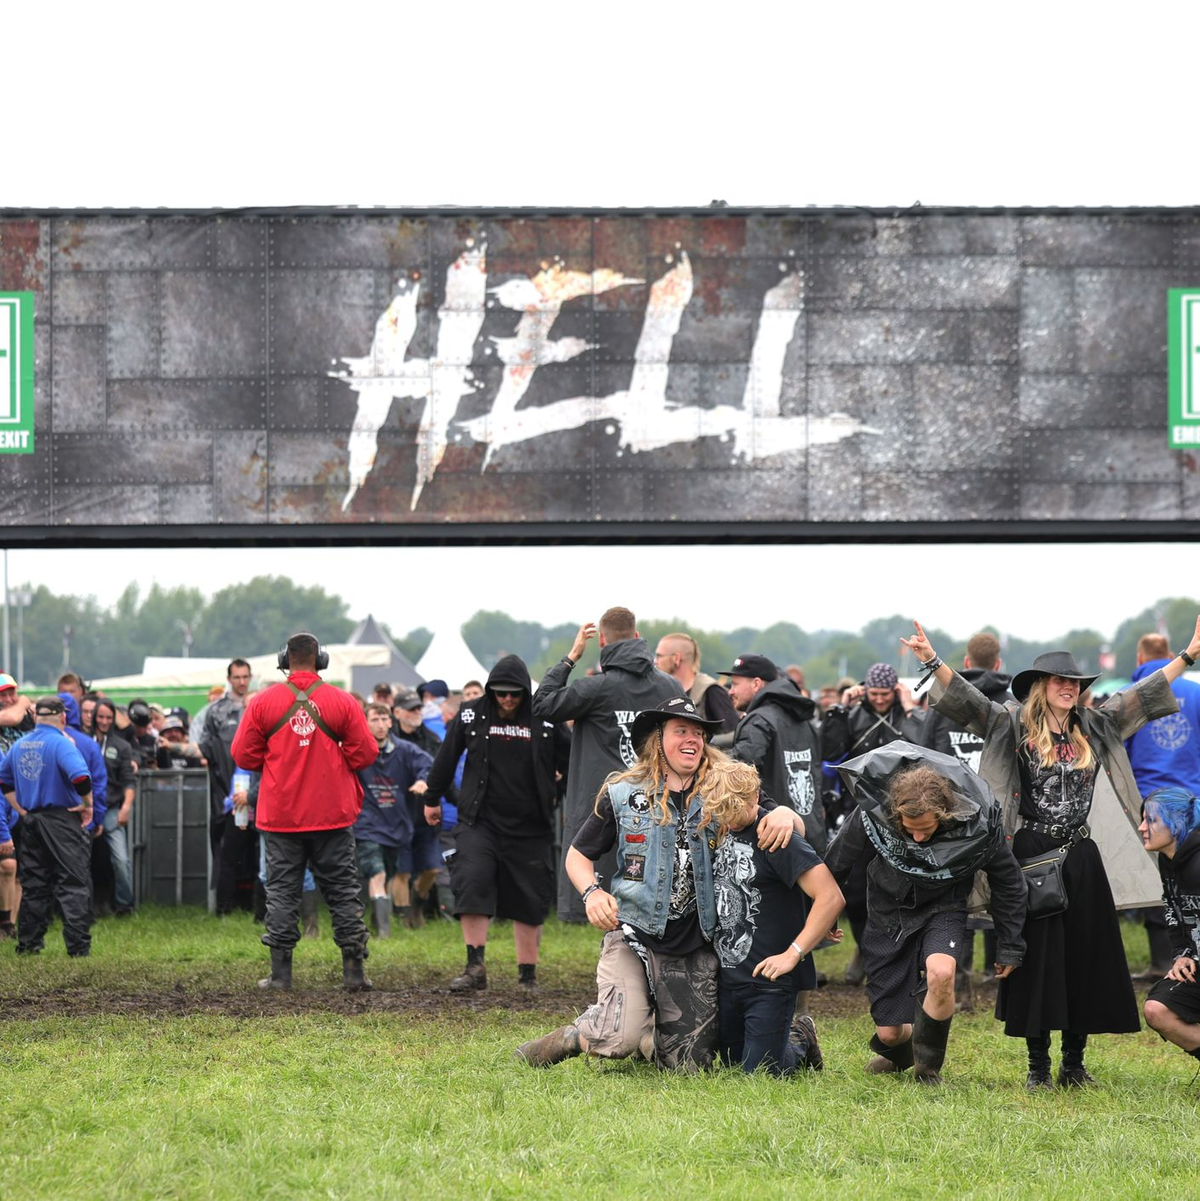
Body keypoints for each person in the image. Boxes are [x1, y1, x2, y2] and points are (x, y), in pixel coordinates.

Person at [910, 615, 1200, 1087]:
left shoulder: (1095, 724)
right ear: (1040, 686)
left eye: (1075, 682)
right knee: (1038, 962)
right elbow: (970, 702)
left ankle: (1074, 1064)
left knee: (1083, 959)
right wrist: (932, 660)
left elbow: (1142, 697)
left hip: (1081, 857)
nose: (1069, 688)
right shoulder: (1013, 724)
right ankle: (1038, 1067)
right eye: (1060, 681)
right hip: (1032, 855)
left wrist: (1186, 656)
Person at [516, 696, 801, 1072]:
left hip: (696, 943)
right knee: (618, 1039)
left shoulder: (723, 787)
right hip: (633, 934)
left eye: (698, 733)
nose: (692, 739)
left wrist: (785, 813)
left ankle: (648, 1028)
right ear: (658, 739)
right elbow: (577, 856)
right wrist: (592, 893)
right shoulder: (624, 793)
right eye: (681, 731)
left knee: (688, 1066)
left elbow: (787, 826)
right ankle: (574, 1036)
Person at [824, 744, 1026, 1084]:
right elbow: (836, 862)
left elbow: (1009, 882)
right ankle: (899, 1053)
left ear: (944, 815)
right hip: (888, 913)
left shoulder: (976, 829)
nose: (917, 837)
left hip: (943, 907)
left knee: (941, 973)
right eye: (910, 828)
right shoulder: (873, 813)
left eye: (926, 829)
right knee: (890, 1034)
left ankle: (927, 1070)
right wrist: (828, 914)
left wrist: (1010, 945)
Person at [231, 632, 378, 991]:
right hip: (332, 815)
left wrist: (279, 757)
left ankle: (280, 976)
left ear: (284, 660)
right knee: (343, 891)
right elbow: (365, 754)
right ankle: (354, 973)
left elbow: (243, 755)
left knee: (281, 893)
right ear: (320, 660)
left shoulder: (263, 703)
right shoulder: (342, 701)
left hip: (281, 816)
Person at [416, 655, 570, 992]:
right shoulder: (471, 713)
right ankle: (475, 968)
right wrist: (432, 798)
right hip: (479, 820)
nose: (508, 699)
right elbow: (446, 757)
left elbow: (571, 761)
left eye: (515, 693)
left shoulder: (544, 717)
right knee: (471, 882)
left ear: (525, 692)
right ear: (490, 691)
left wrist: (562, 798)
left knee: (529, 898)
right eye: (501, 693)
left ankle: (527, 976)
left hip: (531, 824)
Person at [533, 606, 685, 923]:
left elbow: (543, 704)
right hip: (658, 806)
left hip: (603, 811)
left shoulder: (596, 687)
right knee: (653, 904)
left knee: (608, 908)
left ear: (602, 640)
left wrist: (571, 657)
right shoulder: (670, 687)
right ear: (638, 636)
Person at [703, 759, 844, 1075]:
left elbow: (830, 896)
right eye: (720, 812)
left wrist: (793, 954)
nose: (728, 820)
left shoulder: (776, 836)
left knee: (761, 1073)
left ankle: (801, 1037)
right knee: (731, 1064)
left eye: (735, 811)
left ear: (755, 797)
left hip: (770, 980)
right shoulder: (717, 826)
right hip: (728, 976)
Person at [920, 630, 1013, 1008]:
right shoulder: (1009, 703)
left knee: (956, 896)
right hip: (999, 813)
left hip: (951, 815)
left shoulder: (944, 701)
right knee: (1005, 887)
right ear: (998, 663)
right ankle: (1001, 971)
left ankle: (959, 983)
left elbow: (923, 757)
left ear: (967, 662)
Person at [821, 662, 927, 985]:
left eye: (885, 694)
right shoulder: (853, 715)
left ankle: (891, 953)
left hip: (901, 815)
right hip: (860, 812)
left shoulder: (904, 714)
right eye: (874, 694)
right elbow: (830, 752)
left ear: (894, 690)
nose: (880, 700)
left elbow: (924, 746)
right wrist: (841, 709)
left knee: (898, 889)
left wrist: (909, 708)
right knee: (854, 892)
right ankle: (864, 948)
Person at [1126, 633, 1200, 979]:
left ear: (1140, 658)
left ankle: (1162, 960)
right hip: (1192, 802)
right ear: (1170, 654)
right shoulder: (1196, 692)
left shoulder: (1131, 696)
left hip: (1148, 802)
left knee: (1157, 879)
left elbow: (1121, 753)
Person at [0, 697, 95, 956]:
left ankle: (29, 945)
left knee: (34, 885)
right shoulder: (61, 743)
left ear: (36, 717)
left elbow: (3, 780)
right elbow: (81, 777)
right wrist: (87, 804)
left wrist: (20, 808)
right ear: (63, 717)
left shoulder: (19, 744)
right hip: (62, 821)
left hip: (31, 821)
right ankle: (78, 948)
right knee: (72, 883)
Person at [354, 702, 434, 938]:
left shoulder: (405, 750)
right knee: (377, 873)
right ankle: (384, 933)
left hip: (396, 824)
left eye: (383, 719)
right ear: (365, 723)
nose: (380, 725)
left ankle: (376, 920)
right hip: (367, 825)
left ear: (391, 722)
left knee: (388, 874)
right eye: (374, 720)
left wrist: (422, 781)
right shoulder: (356, 749)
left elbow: (429, 765)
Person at [1139, 787, 1200, 1069]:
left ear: (1175, 824)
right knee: (1157, 1010)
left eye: (1151, 821)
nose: (1142, 827)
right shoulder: (1168, 860)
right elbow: (1174, 914)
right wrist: (1183, 954)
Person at [200, 659, 257, 917]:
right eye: (237, 677)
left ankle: (256, 906)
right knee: (229, 853)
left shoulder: (264, 711)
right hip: (230, 792)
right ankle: (224, 908)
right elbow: (204, 747)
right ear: (229, 679)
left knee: (258, 853)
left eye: (245, 677)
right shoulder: (217, 712)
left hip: (258, 791)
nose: (242, 682)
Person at [92, 698, 137, 915]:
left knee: (121, 860)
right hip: (86, 810)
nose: (104, 721)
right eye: (100, 716)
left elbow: (129, 781)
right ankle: (80, 906)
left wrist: (126, 807)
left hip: (112, 810)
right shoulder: (83, 741)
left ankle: (124, 905)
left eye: (109, 717)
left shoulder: (121, 746)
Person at [653, 632, 739, 734]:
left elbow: (733, 734)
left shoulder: (710, 691)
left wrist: (703, 741)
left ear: (676, 658)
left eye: (659, 656)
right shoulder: (662, 690)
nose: (655, 661)